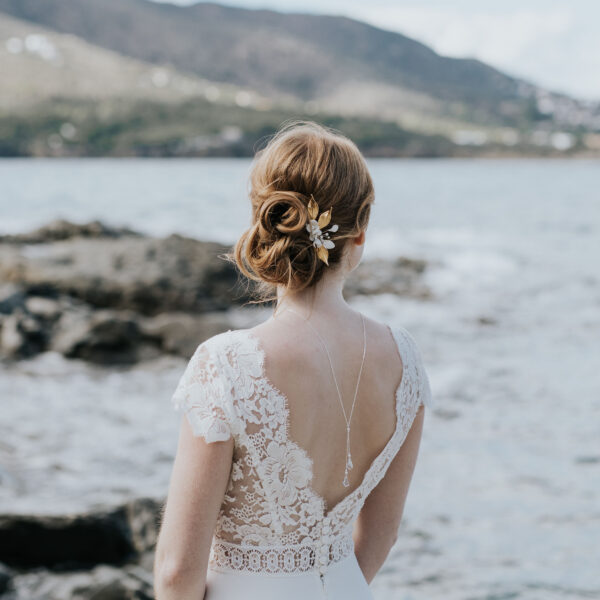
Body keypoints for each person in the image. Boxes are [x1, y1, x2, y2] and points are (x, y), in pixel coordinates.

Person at [153, 120, 434, 599]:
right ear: (360, 232)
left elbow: (178, 570)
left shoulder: (226, 365)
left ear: (264, 218)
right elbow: (382, 532)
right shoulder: (404, 359)